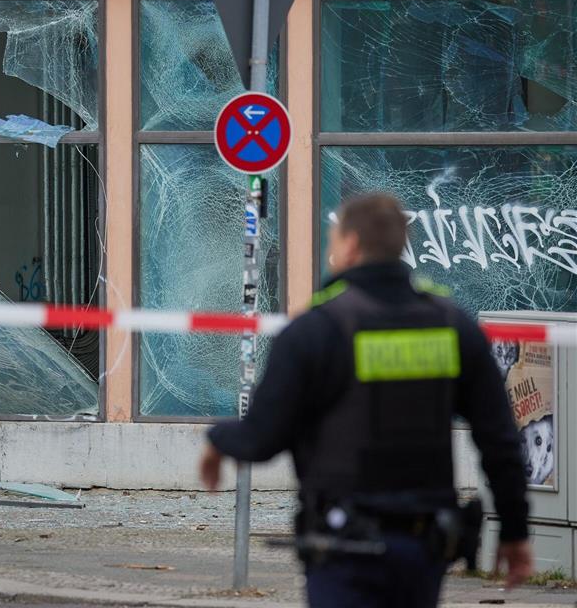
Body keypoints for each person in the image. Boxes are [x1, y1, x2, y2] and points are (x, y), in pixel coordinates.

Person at [199, 193, 532, 607]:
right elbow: (499, 438)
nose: (331, 251)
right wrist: (516, 531)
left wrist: (217, 441)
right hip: (424, 549)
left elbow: (263, 437)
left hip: (344, 550)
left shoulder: (316, 330)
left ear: (352, 245)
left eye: (332, 241)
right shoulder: (451, 326)